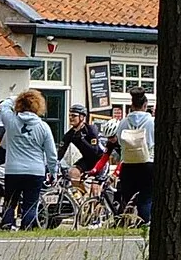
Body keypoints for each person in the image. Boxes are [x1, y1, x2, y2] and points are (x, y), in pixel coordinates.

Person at [0, 88, 59, 229]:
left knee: (10, 202)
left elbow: (3, 106)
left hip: (13, 170)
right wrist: (53, 173)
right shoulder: (43, 127)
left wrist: (17, 97)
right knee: (30, 204)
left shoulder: (11, 122)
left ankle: (6, 226)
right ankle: (27, 228)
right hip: (35, 171)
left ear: (19, 104)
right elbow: (51, 155)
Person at [112, 88, 155, 224]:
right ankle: (144, 223)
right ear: (145, 105)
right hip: (147, 162)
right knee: (146, 197)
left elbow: (119, 141)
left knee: (128, 197)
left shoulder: (123, 123)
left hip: (128, 164)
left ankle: (125, 222)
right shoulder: (151, 122)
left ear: (131, 105)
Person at [56, 105, 104, 182]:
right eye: (70, 115)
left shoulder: (91, 129)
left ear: (82, 117)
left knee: (95, 187)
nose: (71, 118)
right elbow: (61, 151)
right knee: (73, 172)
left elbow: (94, 151)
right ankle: (79, 193)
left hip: (100, 160)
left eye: (74, 115)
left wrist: (82, 139)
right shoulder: (70, 134)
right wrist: (55, 162)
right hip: (87, 160)